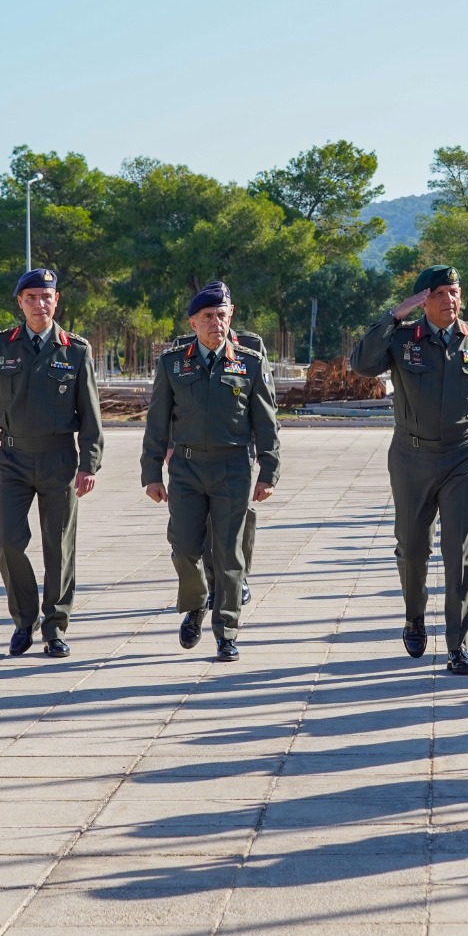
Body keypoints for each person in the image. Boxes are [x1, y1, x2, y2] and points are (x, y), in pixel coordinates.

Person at [349, 265, 468, 676]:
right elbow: (362, 364)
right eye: (438, 293)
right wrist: (394, 315)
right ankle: (414, 616)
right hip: (412, 458)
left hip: (465, 458)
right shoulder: (401, 338)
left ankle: (458, 644)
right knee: (412, 549)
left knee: (461, 553)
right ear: (422, 301)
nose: (448, 300)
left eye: (453, 291)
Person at [140, 281, 280, 662]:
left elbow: (266, 421)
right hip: (186, 468)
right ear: (193, 322)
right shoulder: (173, 363)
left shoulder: (249, 362)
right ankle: (197, 601)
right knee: (185, 547)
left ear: (229, 316)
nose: (215, 322)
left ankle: (226, 632)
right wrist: (151, 472)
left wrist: (269, 470)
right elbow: (157, 422)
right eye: (207, 316)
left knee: (229, 554)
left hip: (232, 467)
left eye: (221, 315)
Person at [0, 268, 104, 658]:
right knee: (9, 542)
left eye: (46, 296)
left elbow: (91, 414)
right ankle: (24, 620)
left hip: (59, 459)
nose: (39, 304)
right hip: (12, 458)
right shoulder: (1, 346)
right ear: (20, 303)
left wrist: (89, 464)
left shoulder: (75, 350)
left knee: (58, 547)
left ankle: (55, 626)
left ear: (56, 300)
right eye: (31, 297)